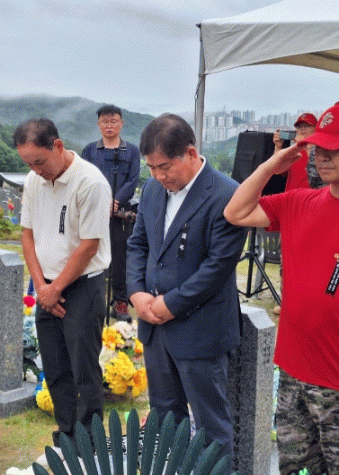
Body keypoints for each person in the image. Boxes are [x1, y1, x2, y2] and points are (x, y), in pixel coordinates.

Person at [224, 101, 339, 475]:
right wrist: (272, 165)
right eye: (317, 147)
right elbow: (235, 212)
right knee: (294, 468)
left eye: (333, 148)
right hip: (293, 375)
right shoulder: (298, 202)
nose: (321, 157)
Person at [126, 113, 246, 466]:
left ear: (191, 154)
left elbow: (218, 265)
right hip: (155, 327)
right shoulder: (152, 190)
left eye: (164, 167)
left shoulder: (226, 194)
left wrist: (173, 303)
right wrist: (136, 292)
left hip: (200, 329)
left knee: (210, 426)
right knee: (164, 419)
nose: (158, 176)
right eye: (151, 168)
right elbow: (138, 244)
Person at [14, 118, 111, 454]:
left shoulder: (90, 182)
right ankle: (67, 437)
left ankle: (90, 447)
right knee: (55, 368)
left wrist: (55, 289)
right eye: (29, 164)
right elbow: (27, 235)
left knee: (84, 370)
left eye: (39, 162)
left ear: (57, 145)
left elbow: (89, 245)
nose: (36, 171)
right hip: (46, 286)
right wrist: (43, 286)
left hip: (83, 285)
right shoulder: (34, 180)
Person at [82, 104, 140, 322]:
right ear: (98, 124)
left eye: (113, 121)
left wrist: (114, 201)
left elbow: (132, 180)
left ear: (121, 123)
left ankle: (120, 302)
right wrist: (101, 201)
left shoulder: (131, 151)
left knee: (120, 258)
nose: (109, 126)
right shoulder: (90, 150)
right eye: (105, 122)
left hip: (120, 213)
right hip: (94, 210)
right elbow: (85, 177)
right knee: (90, 253)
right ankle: (90, 299)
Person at [273, 113, 317, 190]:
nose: (303, 129)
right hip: (291, 195)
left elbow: (317, 174)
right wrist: (278, 147)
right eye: (300, 126)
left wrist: (306, 146)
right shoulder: (294, 151)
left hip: (312, 196)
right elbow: (276, 169)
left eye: (307, 126)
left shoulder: (322, 150)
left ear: (316, 128)